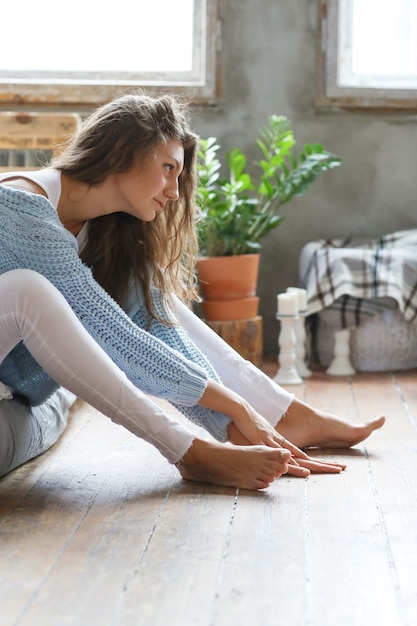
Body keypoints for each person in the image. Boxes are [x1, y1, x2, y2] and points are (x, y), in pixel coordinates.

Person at [0, 92, 385, 490]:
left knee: (153, 301)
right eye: (168, 168)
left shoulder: (103, 230)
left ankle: (283, 416)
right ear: (120, 149)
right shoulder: (21, 209)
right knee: (31, 290)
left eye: (179, 177)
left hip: (20, 384)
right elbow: (116, 338)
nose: (173, 190)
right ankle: (188, 451)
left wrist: (236, 424)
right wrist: (234, 404)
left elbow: (156, 329)